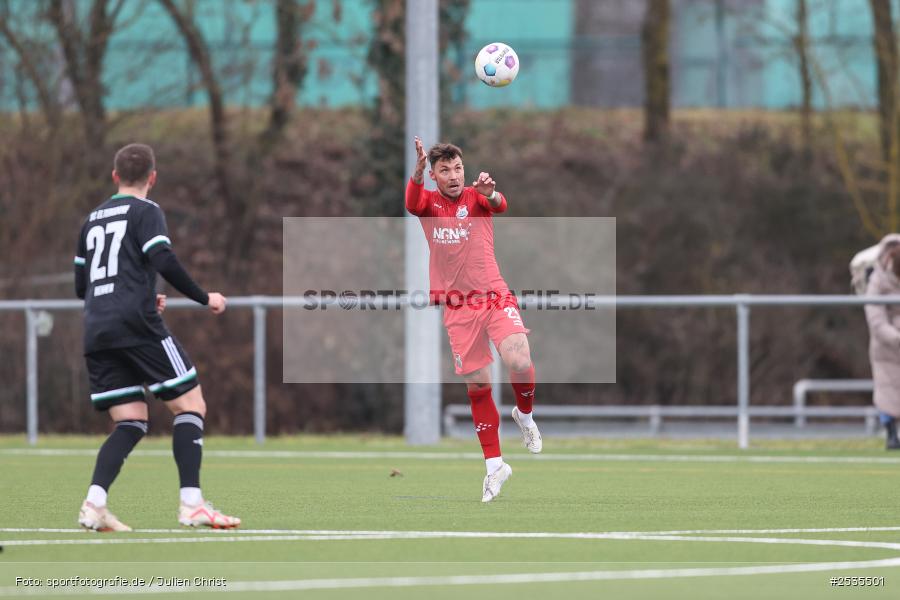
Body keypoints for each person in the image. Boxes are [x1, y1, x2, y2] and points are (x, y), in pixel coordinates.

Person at [74, 143, 240, 530]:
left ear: (115, 177)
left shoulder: (91, 219)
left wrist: (136, 295)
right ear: (153, 177)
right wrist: (205, 297)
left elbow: (83, 285)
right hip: (136, 325)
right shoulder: (147, 211)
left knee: (130, 421)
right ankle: (192, 504)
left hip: (97, 326)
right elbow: (163, 259)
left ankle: (94, 504)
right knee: (191, 405)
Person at [405, 137, 542, 502]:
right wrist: (416, 175)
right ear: (434, 176)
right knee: (478, 385)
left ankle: (525, 417)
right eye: (445, 170)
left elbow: (500, 204)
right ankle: (495, 466)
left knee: (519, 358)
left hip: (494, 295)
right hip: (457, 307)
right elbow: (411, 203)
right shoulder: (429, 203)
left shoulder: (476, 195)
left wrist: (491, 193)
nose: (453, 175)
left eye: (457, 168)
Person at [864, 234, 900, 450]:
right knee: (886, 390)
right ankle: (891, 434)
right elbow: (875, 319)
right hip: (886, 348)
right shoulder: (877, 279)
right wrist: (896, 337)